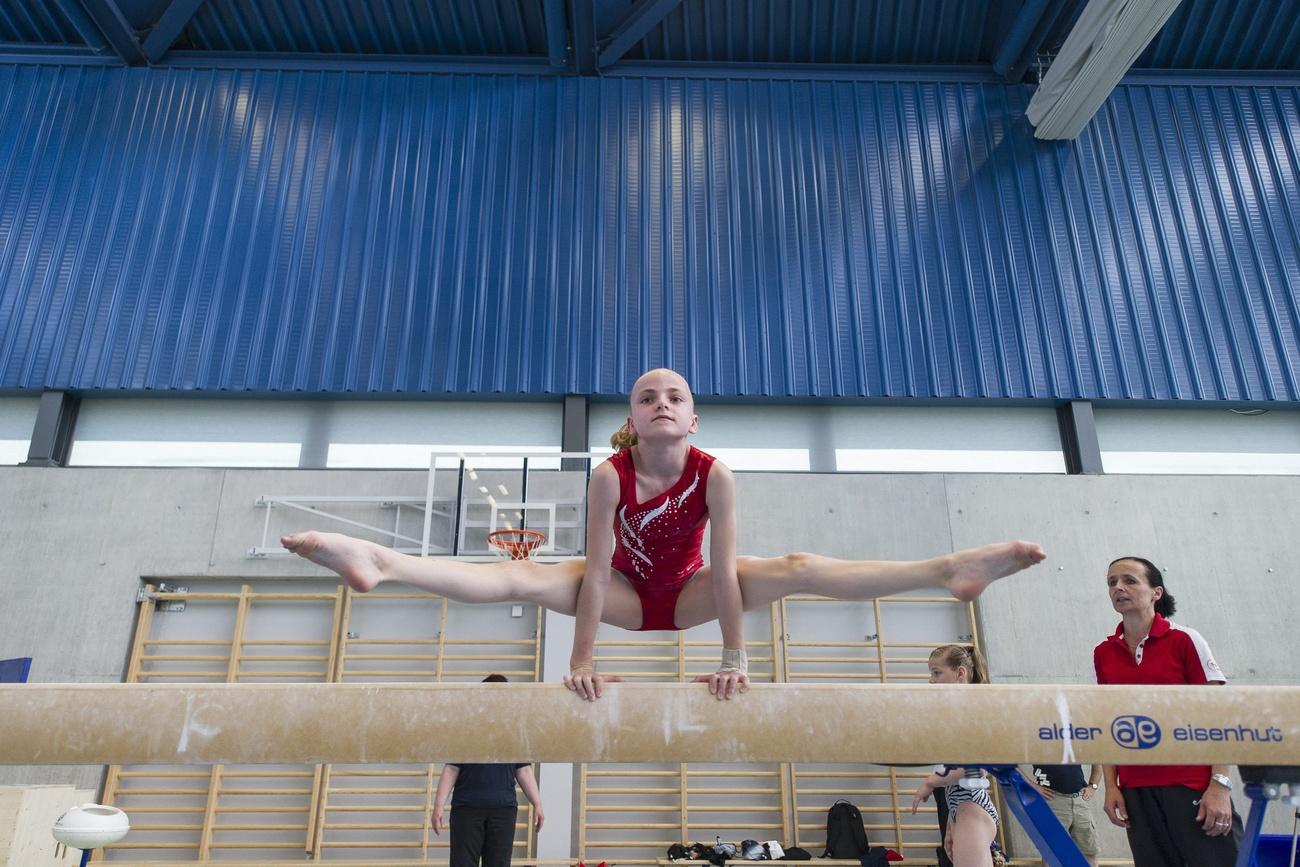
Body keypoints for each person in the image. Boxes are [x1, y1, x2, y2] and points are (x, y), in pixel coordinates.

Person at [282, 368, 1046, 701]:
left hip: (690, 595)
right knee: (526, 574)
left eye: (674, 395)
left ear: (693, 417)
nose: (661, 403)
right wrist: (580, 661)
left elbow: (725, 573)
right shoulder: (609, 474)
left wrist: (735, 659)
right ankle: (381, 559)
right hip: (617, 592)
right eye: (647, 396)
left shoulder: (716, 474)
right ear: (633, 416)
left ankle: (947, 567)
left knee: (792, 564)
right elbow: (597, 568)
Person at [1095, 556, 1241, 866]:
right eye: (1112, 582)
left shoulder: (1184, 640)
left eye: (1129, 580)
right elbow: (1109, 723)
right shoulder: (1104, 653)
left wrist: (1220, 785)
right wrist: (1111, 786)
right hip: (1136, 789)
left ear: (1156, 593)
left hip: (1190, 783)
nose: (1118, 587)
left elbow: (1219, 715)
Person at [432, 674, 544, 867]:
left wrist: (538, 804)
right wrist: (438, 806)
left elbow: (524, 771)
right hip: (467, 809)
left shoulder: (514, 731)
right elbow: (451, 769)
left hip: (503, 810)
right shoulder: (466, 730)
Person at [910, 645, 1001, 867]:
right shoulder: (955, 714)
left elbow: (978, 767)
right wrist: (952, 822)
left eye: (937, 673)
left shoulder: (975, 710)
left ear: (960, 673)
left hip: (972, 807)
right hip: (962, 808)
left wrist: (931, 782)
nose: (931, 680)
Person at [1025, 763, 1102, 866]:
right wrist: (1033, 785)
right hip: (1052, 799)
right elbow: (1012, 767)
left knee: (1089, 851)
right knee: (1052, 853)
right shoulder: (1036, 750)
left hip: (1080, 800)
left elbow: (1097, 762)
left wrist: (1093, 786)